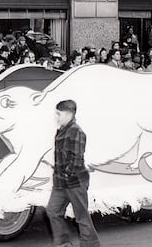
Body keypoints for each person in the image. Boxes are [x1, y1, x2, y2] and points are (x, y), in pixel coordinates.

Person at [45, 99, 100, 247]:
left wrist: (65, 174)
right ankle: (63, 243)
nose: (57, 116)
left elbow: (76, 159)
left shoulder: (76, 131)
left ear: (69, 114)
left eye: (59, 113)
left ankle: (91, 244)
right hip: (61, 182)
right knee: (52, 211)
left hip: (75, 182)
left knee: (81, 217)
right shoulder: (62, 130)